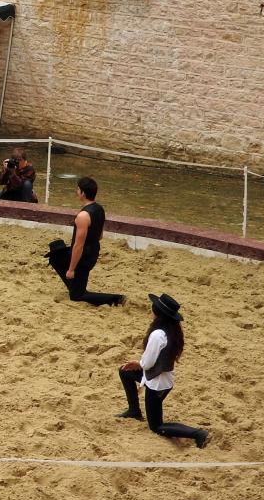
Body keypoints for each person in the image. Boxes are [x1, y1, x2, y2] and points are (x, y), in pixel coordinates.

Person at [116, 293, 209, 449]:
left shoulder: (157, 334)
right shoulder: (172, 331)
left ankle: (198, 433)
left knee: (157, 426)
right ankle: (134, 410)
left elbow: (147, 363)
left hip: (157, 385)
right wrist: (138, 364)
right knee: (125, 371)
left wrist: (139, 363)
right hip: (162, 378)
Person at [45, 176, 124, 306]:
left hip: (84, 257)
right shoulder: (100, 209)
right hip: (93, 253)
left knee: (77, 296)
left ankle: (116, 299)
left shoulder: (83, 216)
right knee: (55, 256)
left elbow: (78, 246)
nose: (76, 191)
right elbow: (100, 236)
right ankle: (75, 285)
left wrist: (71, 269)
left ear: (83, 193)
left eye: (78, 189)